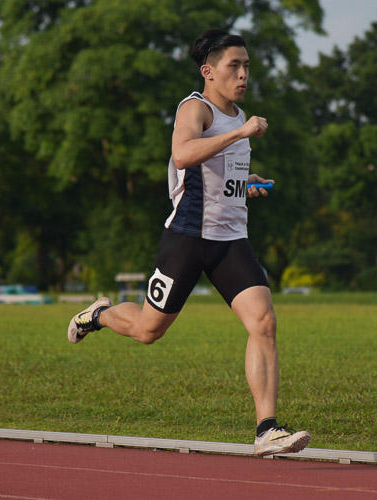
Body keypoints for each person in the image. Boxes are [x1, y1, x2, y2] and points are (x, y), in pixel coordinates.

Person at [67, 29, 310, 457]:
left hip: (231, 241)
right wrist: (240, 135)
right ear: (208, 71)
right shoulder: (194, 109)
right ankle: (99, 314)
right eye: (233, 66)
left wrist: (244, 183)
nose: (242, 74)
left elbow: (216, 174)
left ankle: (266, 430)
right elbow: (183, 155)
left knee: (264, 322)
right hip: (186, 240)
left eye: (247, 66)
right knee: (147, 331)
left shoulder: (239, 115)